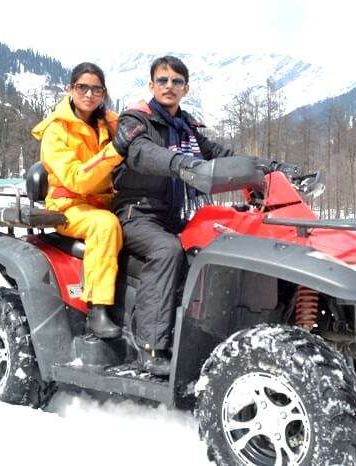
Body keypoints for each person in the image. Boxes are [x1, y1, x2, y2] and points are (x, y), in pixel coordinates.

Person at [110, 56, 242, 375]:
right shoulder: (134, 120)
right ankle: (150, 347)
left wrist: (267, 167)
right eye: (163, 80)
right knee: (167, 249)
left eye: (177, 81)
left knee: (218, 244)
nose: (170, 86)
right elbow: (140, 152)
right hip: (136, 214)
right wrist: (179, 163)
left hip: (176, 215)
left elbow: (221, 156)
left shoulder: (187, 129)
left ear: (186, 88)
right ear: (152, 85)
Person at [32, 62, 140, 339]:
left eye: (96, 89)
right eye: (83, 87)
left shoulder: (110, 122)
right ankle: (98, 308)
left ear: (103, 93)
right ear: (70, 89)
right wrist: (115, 151)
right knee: (104, 226)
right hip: (69, 206)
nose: (89, 94)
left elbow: (135, 130)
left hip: (107, 202)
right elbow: (77, 178)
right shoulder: (56, 131)